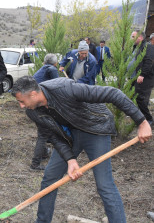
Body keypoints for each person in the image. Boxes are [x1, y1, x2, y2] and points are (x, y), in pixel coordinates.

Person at [11, 76, 151, 223]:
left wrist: (141, 122)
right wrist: (70, 160)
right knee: (50, 178)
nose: (21, 106)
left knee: (104, 184)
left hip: (96, 129)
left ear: (33, 94)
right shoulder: (33, 111)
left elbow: (113, 93)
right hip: (70, 136)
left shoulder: (64, 88)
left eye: (22, 101)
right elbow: (53, 135)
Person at [30, 53, 59, 170]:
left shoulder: (42, 69)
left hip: (30, 104)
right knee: (43, 133)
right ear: (55, 63)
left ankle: (44, 153)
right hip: (37, 105)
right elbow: (57, 86)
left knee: (42, 130)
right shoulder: (52, 69)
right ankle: (35, 164)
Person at [129, 30, 154, 125]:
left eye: (133, 36)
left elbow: (149, 62)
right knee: (136, 97)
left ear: (140, 37)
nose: (131, 38)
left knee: (142, 99)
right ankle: (141, 118)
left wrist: (142, 75)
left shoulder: (148, 47)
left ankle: (149, 119)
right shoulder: (136, 47)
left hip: (145, 78)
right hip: (135, 77)